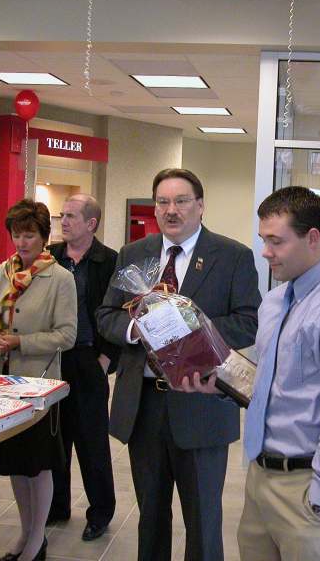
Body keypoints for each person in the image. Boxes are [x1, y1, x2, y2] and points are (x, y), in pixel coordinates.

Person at [186, 186, 320, 561]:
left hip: (308, 487)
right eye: (263, 240)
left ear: (312, 239)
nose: (265, 252)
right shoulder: (275, 302)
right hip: (262, 479)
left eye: (276, 241)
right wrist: (226, 386)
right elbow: (276, 383)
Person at [96, 168, 260, 561]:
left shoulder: (233, 255)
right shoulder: (134, 255)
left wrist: (188, 328)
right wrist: (138, 329)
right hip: (144, 407)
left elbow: (248, 321)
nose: (172, 210)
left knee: (203, 521)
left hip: (201, 405)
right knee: (150, 517)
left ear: (200, 206)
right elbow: (106, 315)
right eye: (163, 202)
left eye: (181, 201)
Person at [0, 199, 77, 561]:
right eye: (17, 235)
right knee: (17, 464)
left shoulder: (60, 278)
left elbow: (67, 335)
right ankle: (25, 535)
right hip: (1, 383)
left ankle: (37, 541)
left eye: (29, 235)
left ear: (44, 237)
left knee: (39, 464)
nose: (22, 243)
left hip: (39, 385)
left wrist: (20, 341)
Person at [46, 194, 120, 541]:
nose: (63, 221)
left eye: (71, 216)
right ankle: (57, 506)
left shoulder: (109, 262)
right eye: (62, 215)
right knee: (54, 438)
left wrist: (105, 360)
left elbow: (121, 312)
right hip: (53, 359)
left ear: (91, 224)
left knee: (92, 444)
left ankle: (100, 513)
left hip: (89, 360)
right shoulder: (50, 258)